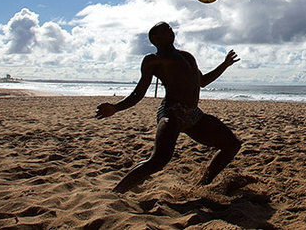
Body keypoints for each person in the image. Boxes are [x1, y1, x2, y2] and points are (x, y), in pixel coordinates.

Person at [95, 21, 242, 193]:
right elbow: (139, 92)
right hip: (171, 112)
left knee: (232, 145)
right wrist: (116, 107)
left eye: (170, 28)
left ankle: (202, 185)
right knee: (159, 159)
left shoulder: (188, 56)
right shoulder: (153, 60)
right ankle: (117, 193)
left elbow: (202, 82)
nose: (170, 31)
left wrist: (224, 65)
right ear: (155, 38)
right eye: (165, 29)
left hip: (194, 115)